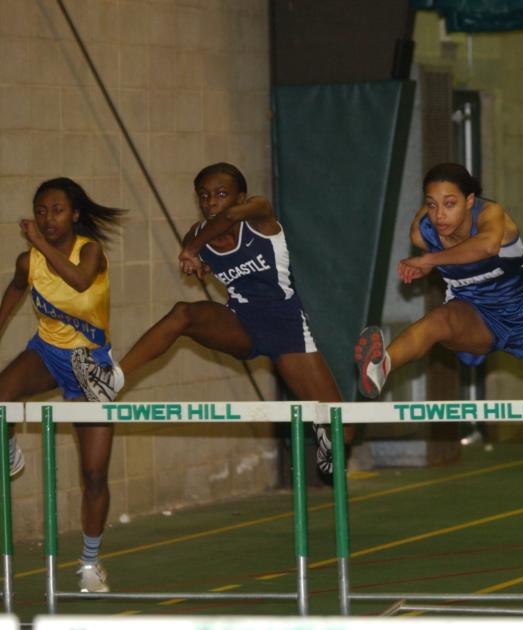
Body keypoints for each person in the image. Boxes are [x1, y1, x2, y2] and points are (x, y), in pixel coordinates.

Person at [70, 163, 345, 476]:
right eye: (204, 196)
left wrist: (193, 251)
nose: (211, 202)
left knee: (342, 430)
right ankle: (112, 380)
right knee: (183, 314)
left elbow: (226, 220)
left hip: (288, 327)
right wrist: (199, 264)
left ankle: (324, 435)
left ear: (240, 198)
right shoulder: (197, 235)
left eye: (221, 194)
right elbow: (203, 257)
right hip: (241, 322)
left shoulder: (259, 214)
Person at [353, 163, 523, 438]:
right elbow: (435, 233)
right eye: (432, 204)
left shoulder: (491, 215)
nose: (439, 215)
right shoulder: (422, 231)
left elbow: (486, 246)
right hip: (474, 314)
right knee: (440, 320)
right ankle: (382, 365)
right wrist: (430, 256)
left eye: (450, 203)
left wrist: (429, 260)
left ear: (469, 200)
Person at [0, 177, 124, 592]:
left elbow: (78, 281)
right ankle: (10, 447)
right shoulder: (28, 262)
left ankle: (90, 563)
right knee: (1, 395)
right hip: (48, 353)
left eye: (55, 210)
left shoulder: (90, 250)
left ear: (74, 214)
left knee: (93, 475)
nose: (46, 218)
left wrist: (39, 241)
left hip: (91, 365)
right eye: (40, 211)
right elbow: (16, 292)